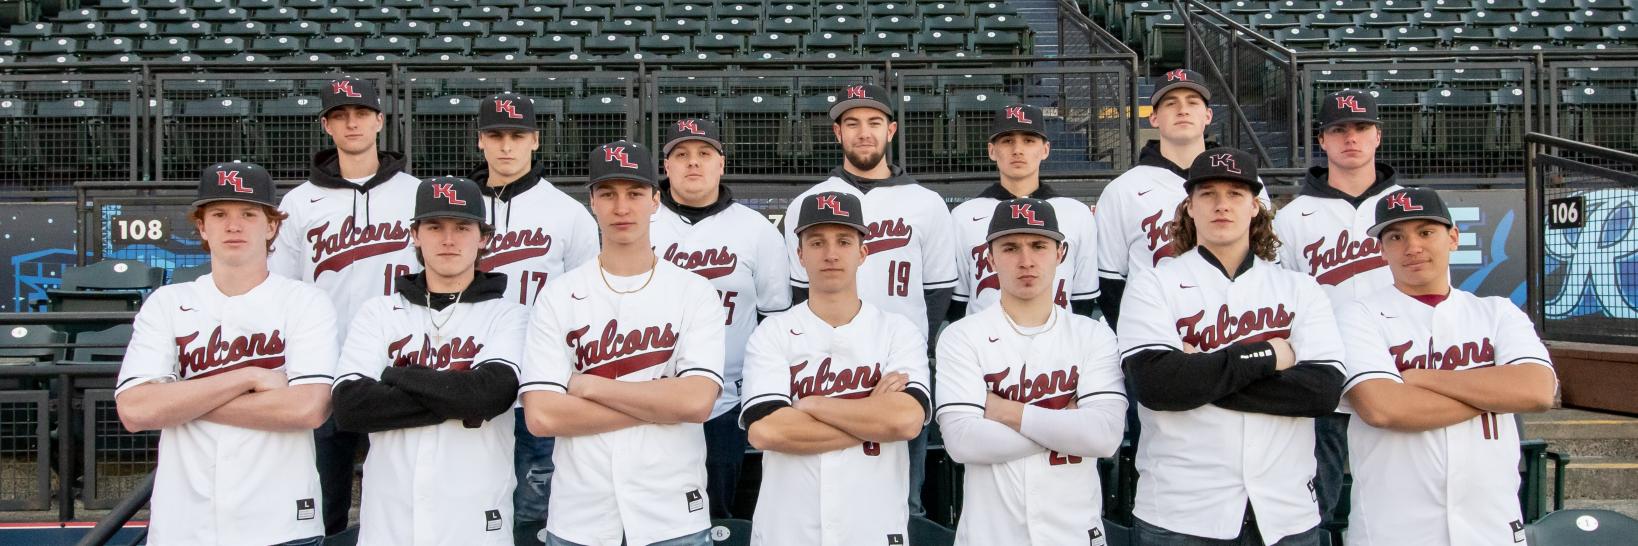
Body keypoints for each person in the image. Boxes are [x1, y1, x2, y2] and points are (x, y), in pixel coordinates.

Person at [1117, 148, 1345, 545]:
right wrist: (1270, 355)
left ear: (1256, 206)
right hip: (1180, 512)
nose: (1222, 204)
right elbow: (1156, 385)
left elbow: (1322, 392)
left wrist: (1199, 373)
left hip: (1284, 512)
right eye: (1208, 194)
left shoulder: (1300, 289)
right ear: (1189, 206)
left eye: (1236, 194)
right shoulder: (1154, 284)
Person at [116, 162, 336, 546]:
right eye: (219, 214)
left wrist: (181, 400)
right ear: (202, 227)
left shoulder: (305, 302)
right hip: (183, 525)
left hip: (282, 523)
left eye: (249, 214)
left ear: (271, 226)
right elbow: (135, 411)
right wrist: (247, 377)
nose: (234, 226)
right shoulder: (167, 303)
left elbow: (309, 409)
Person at [519, 141, 726, 546]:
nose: (621, 207)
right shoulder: (558, 295)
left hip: (672, 514)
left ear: (655, 201)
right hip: (580, 515)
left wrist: (588, 386)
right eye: (608, 194)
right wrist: (660, 402)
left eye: (634, 194)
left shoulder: (694, 292)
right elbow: (542, 417)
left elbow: (696, 403)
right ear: (592, 202)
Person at [1337, 187, 1557, 546]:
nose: (1412, 247)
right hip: (1393, 527)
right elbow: (1384, 408)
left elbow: (1535, 391)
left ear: (1453, 238)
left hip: (1490, 525)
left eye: (1426, 232)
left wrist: (1422, 378)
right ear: (1381, 249)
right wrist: (1494, 395)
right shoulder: (1358, 315)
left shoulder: (1498, 312)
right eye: (1395, 236)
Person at [780, 82, 957, 515]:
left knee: (902, 501)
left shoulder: (927, 203)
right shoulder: (807, 203)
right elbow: (801, 293)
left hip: (900, 369)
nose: (864, 132)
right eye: (852, 123)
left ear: (891, 130)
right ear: (837, 133)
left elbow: (938, 292)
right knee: (820, 496)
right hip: (827, 367)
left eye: (874, 122)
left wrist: (909, 349)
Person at [329, 176, 525, 545]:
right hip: (390, 520)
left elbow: (486, 396)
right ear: (415, 235)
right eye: (435, 227)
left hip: (474, 518)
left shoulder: (509, 315)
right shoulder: (379, 312)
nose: (448, 239)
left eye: (462, 227)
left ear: (483, 237)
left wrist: (395, 375)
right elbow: (351, 407)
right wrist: (455, 393)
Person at [270, 75, 422, 535]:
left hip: (400, 365)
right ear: (327, 126)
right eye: (340, 115)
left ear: (379, 120)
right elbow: (281, 289)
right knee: (322, 499)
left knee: (401, 494)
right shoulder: (299, 202)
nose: (351, 123)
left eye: (360, 113)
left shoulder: (417, 194)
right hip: (324, 365)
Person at [739, 191, 929, 546]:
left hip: (873, 527)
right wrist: (872, 415)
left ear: (863, 253)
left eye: (843, 241)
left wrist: (812, 405)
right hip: (788, 530)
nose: (830, 254)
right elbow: (767, 432)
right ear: (799, 255)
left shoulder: (898, 332)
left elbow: (905, 421)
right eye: (816, 242)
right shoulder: (773, 333)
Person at [936, 198, 1127, 545]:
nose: (1026, 261)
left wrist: (1006, 411)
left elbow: (1105, 436)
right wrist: (1065, 427)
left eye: (1039, 246)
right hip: (989, 535)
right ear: (990, 259)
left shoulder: (1093, 334)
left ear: (1060, 253)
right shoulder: (961, 336)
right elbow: (962, 443)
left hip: (1075, 534)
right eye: (1010, 248)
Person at [467, 92, 600, 545]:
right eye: (496, 135)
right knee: (471, 505)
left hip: (540, 381)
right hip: (469, 378)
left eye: (517, 135)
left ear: (536, 140)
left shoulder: (567, 212)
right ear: (480, 141)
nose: (507, 146)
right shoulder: (453, 212)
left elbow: (589, 300)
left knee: (534, 512)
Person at [1271, 88, 1404, 528]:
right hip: (1324, 369)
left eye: (1361, 127)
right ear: (1322, 140)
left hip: (1398, 367)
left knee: (1398, 494)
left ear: (1378, 136)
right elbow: (1279, 302)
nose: (1351, 138)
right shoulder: (1293, 216)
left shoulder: (1408, 205)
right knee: (1318, 503)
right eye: (1339, 129)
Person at [652, 117, 791, 518]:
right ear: (667, 167)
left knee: (718, 514)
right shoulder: (643, 223)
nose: (692, 163)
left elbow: (774, 318)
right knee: (658, 510)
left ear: (721, 164)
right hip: (654, 394)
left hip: (726, 400)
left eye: (703, 154)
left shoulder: (757, 230)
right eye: (681, 154)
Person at [1095, 68, 1270, 329]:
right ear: (1153, 118)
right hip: (1157, 333)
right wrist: (1140, 339)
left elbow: (1267, 263)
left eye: (1192, 102)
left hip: (1239, 328)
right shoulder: (1123, 189)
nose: (1182, 110)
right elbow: (1110, 282)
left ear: (1208, 115)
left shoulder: (1246, 184)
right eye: (1170, 103)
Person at [949, 104, 1099, 319]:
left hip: (1059, 343)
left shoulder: (1076, 213)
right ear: (992, 150)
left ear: (1045, 149)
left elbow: (1083, 298)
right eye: (1007, 141)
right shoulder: (963, 216)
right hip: (986, 345)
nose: (1017, 150)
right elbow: (959, 301)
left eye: (1028, 141)